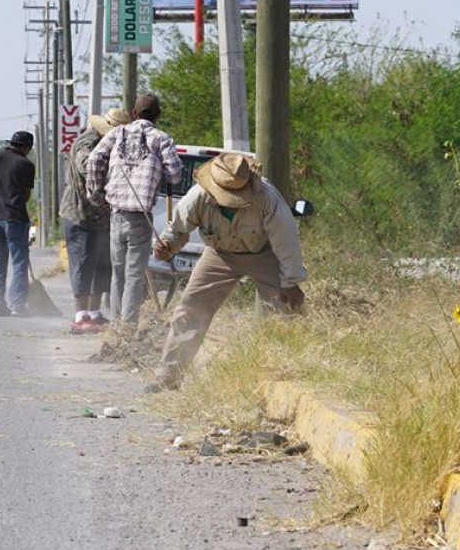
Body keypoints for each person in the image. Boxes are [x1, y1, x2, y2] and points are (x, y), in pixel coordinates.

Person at [146, 152, 308, 393]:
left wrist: (291, 281)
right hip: (218, 254)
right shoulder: (198, 195)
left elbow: (287, 242)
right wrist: (167, 246)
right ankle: (169, 375)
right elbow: (178, 230)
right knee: (190, 308)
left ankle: (293, 372)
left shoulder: (267, 197)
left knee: (287, 309)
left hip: (263, 254)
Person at [86, 94, 183, 325]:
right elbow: (176, 175)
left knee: (118, 273)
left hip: (116, 214)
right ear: (158, 116)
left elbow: (94, 160)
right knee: (133, 275)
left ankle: (118, 325)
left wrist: (97, 195)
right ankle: (127, 327)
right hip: (140, 219)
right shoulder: (161, 139)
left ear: (134, 113)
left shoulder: (116, 134)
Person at [60, 107, 130, 333]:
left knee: (102, 266)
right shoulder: (87, 142)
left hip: (101, 217)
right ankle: (80, 316)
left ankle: (94, 313)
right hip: (80, 214)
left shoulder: (107, 143)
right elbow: (86, 166)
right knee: (82, 264)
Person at [0, 131, 36, 317]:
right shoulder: (26, 164)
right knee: (19, 263)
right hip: (16, 218)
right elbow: (26, 195)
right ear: (27, 147)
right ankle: (17, 306)